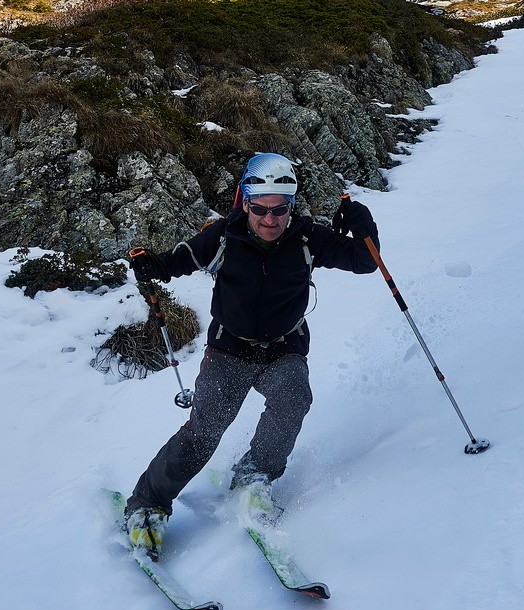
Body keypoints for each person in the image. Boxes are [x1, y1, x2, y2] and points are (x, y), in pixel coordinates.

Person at [122, 152, 380, 557]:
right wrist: (151, 265)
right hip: (229, 351)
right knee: (204, 432)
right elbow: (178, 261)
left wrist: (362, 223)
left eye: (280, 210)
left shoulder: (309, 237)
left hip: (283, 350)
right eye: (260, 209)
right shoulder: (224, 236)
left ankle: (255, 473)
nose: (270, 220)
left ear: (291, 207)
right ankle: (147, 504)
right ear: (245, 201)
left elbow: (366, 262)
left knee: (293, 397)